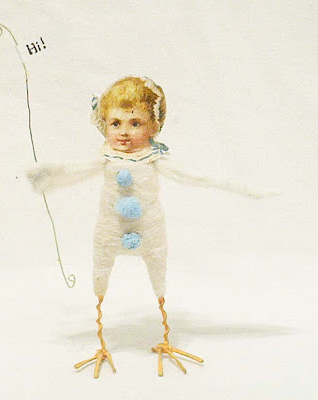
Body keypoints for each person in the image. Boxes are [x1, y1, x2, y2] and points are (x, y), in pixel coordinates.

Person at [27, 76, 271, 378]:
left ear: (154, 126)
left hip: (150, 232)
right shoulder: (106, 158)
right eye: (115, 123)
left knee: (158, 274)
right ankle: (102, 342)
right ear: (104, 124)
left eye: (135, 123)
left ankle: (165, 337)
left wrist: (243, 189)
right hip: (109, 231)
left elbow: (196, 177)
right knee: (101, 275)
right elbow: (73, 172)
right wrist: (46, 177)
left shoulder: (154, 159)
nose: (124, 132)